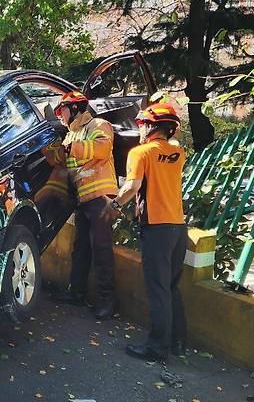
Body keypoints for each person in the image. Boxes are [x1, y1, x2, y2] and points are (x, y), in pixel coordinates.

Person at [102, 102, 187, 363]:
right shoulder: (178, 151)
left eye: (142, 124)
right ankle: (178, 342)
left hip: (157, 228)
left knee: (157, 289)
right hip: (178, 227)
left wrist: (114, 204)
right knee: (171, 287)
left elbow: (132, 187)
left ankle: (157, 348)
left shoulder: (140, 153)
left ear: (151, 126)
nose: (139, 129)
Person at [47, 90, 119, 320]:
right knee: (81, 249)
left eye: (62, 110)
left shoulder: (98, 124)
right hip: (82, 200)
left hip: (100, 198)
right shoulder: (71, 135)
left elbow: (102, 149)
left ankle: (107, 301)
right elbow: (59, 160)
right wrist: (48, 149)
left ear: (76, 108)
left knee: (101, 248)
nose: (60, 115)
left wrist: (72, 147)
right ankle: (76, 293)